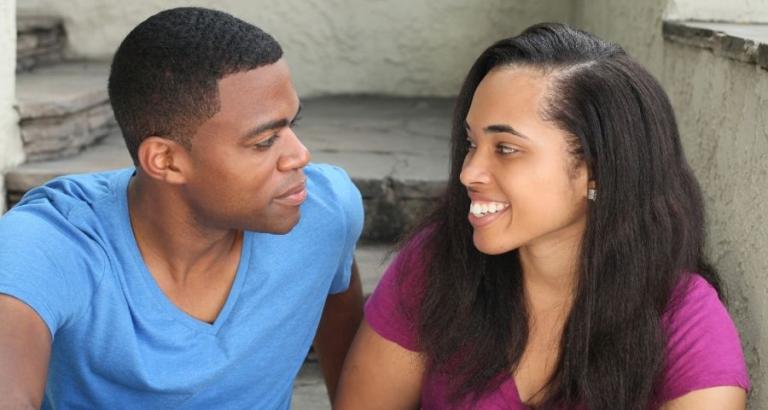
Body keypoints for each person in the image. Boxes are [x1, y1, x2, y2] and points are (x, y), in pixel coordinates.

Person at [336, 23, 749, 409]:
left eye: (506, 148)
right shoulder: (438, 264)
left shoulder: (685, 322)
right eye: (470, 142)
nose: (468, 173)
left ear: (598, 169)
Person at [0, 7, 364, 409]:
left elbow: (349, 351)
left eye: (293, 125)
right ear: (165, 160)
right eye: (265, 141)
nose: (300, 155)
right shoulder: (52, 241)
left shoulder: (326, 211)